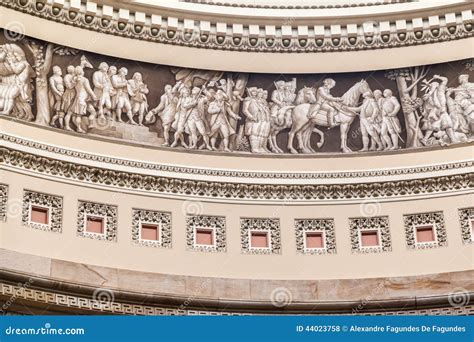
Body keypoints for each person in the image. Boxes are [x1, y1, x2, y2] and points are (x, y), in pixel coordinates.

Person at [68, 66, 97, 133]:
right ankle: (82, 127)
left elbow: (71, 86)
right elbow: (88, 89)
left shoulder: (74, 79)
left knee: (78, 115)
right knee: (92, 112)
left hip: (78, 98)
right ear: (81, 71)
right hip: (85, 98)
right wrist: (93, 95)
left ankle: (84, 126)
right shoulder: (84, 79)